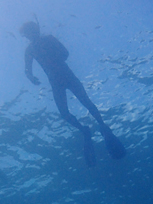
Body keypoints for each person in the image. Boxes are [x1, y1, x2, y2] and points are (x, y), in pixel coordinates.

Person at [19, 21, 126, 167]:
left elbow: (64, 53)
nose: (30, 35)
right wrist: (32, 77)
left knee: (84, 103)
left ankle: (98, 126)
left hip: (63, 76)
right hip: (60, 79)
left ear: (35, 30)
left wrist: (39, 70)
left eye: (30, 31)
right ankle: (90, 128)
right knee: (68, 111)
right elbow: (28, 70)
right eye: (28, 33)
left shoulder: (44, 42)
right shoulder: (32, 49)